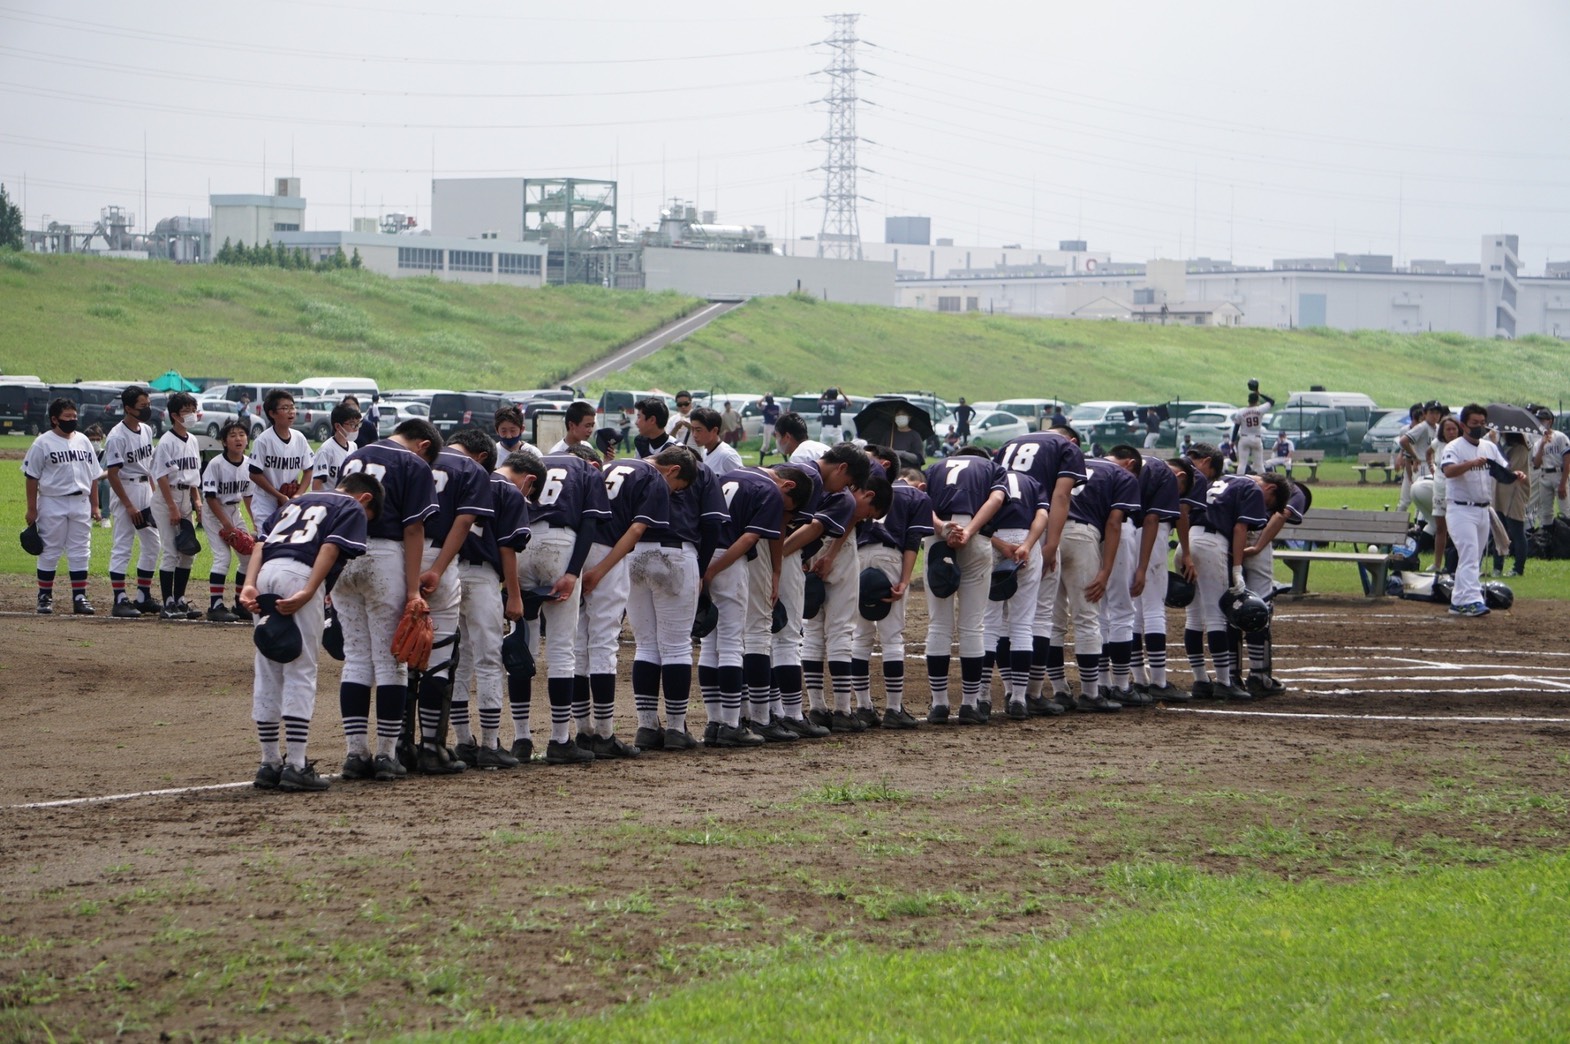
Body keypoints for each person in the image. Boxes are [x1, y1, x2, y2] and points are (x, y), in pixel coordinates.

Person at [241, 472, 378, 792]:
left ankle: (269, 762)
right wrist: (309, 590)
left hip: (266, 574)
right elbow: (330, 548)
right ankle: (297, 765)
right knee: (301, 670)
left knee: (268, 668)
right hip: (300, 575)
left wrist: (249, 584)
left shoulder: (299, 500)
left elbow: (261, 543)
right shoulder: (352, 507)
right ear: (365, 498)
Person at [334, 418, 443, 782]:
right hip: (383, 556)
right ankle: (385, 753)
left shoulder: (355, 456)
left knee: (356, 657)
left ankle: (354, 753)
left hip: (342, 555)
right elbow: (413, 527)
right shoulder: (413, 463)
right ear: (423, 444)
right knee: (392, 659)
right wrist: (413, 590)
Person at [517, 446, 615, 762]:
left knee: (523, 646)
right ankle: (559, 739)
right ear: (590, 460)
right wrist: (573, 571)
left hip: (522, 542)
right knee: (561, 648)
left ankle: (521, 739)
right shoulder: (587, 470)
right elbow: (589, 524)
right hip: (559, 542)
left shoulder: (534, 461)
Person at [446, 433, 530, 770]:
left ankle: (463, 740)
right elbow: (508, 548)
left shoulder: (454, 481)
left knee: (459, 661)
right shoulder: (506, 490)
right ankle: (491, 744)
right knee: (489, 660)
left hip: (449, 572)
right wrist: (514, 594)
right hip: (482, 580)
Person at [621, 447, 712, 753]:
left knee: (646, 644)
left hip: (633, 553)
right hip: (676, 552)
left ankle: (646, 726)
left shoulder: (628, 468)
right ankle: (675, 728)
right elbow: (712, 524)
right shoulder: (699, 470)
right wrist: (703, 567)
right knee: (675, 646)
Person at [697, 465, 788, 747]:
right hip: (728, 560)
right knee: (731, 642)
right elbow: (749, 538)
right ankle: (731, 724)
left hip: (702, 551)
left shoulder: (723, 476)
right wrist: (713, 571)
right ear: (785, 485)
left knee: (709, 643)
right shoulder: (769, 489)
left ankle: (714, 722)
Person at [923, 447, 1009, 724]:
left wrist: (942, 529)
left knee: (939, 623)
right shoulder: (991, 467)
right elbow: (996, 499)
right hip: (976, 536)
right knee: (973, 624)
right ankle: (970, 704)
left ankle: (939, 705)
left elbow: (923, 501)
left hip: (939, 536)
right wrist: (969, 531)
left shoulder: (936, 466)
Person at [1179, 444, 1270, 698]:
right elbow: (1241, 529)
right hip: (1210, 543)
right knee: (1217, 617)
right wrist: (1238, 568)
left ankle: (1200, 680)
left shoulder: (1201, 482)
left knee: (1194, 618)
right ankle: (1223, 682)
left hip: (1186, 541)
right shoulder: (1247, 486)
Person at [853, 452, 934, 728]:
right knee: (891, 637)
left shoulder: (869, 488)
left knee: (861, 636)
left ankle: (863, 706)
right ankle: (893, 708)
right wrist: (905, 579)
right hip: (890, 557)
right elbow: (912, 542)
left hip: (857, 557)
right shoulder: (916, 497)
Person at [1440, 405, 1524, 616]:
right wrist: (1470, 464)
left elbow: (1502, 470)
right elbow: (1448, 471)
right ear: (1463, 425)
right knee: (1468, 553)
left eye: (1481, 423)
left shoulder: (1489, 447)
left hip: (1483, 509)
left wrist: (1516, 475)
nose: (1479, 427)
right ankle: (1473, 599)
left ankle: (1458, 601)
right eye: (1474, 423)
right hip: (1460, 508)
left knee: (1473, 557)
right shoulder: (1454, 447)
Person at [23, 396, 102, 615]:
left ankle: (79, 597)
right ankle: (44, 596)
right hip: (52, 501)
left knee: (80, 550)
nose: (72, 420)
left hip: (80, 502)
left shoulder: (83, 441)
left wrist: (95, 506)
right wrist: (32, 508)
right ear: (55, 419)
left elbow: (93, 475)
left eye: (74, 416)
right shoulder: (43, 442)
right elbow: (31, 477)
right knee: (49, 549)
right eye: (67, 416)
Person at [104, 384, 161, 617]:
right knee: (123, 544)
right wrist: (128, 504)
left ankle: (142, 596)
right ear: (128, 408)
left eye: (148, 404)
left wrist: (155, 494)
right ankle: (119, 599)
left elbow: (148, 467)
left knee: (153, 543)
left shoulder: (146, 430)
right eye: (142, 406)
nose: (147, 409)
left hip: (145, 487)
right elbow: (112, 474)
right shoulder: (116, 436)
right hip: (125, 489)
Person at [149, 392, 204, 620]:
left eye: (193, 409)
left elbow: (192, 475)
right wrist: (172, 506)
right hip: (166, 498)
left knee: (187, 551)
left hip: (185, 499)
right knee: (171, 551)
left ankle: (180, 600)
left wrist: (197, 500)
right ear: (174, 415)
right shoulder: (166, 441)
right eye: (186, 411)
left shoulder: (192, 440)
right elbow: (161, 476)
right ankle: (167, 602)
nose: (191, 414)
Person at [201, 421, 256, 622]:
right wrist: (227, 524)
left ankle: (241, 605)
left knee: (248, 557)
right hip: (214, 513)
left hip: (234, 510)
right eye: (232, 435)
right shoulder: (215, 464)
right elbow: (210, 497)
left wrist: (255, 523)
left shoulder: (249, 464)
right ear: (224, 441)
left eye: (242, 434)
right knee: (223, 557)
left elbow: (249, 496)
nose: (238, 438)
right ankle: (215, 605)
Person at [248, 390, 314, 532]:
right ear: (272, 413)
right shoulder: (263, 441)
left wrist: (299, 495)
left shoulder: (299, 438)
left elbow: (309, 470)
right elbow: (254, 473)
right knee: (266, 541)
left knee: (287, 541)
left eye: (292, 407)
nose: (291, 412)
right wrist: (278, 495)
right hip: (265, 501)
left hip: (290, 501)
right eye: (285, 408)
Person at [1492, 431, 1530, 578]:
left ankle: (1518, 568)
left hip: (1514, 493)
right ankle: (1497, 567)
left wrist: (1496, 446)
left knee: (1516, 532)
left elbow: (1509, 467)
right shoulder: (1504, 446)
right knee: (1498, 532)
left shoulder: (1521, 448)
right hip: (1499, 492)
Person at [1397, 401, 1442, 515]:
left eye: (1437, 413)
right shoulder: (1423, 427)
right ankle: (1413, 525)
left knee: (1429, 498)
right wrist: (1415, 457)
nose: (1435, 416)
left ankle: (1421, 526)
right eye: (1432, 412)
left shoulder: (1438, 428)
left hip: (1433, 465)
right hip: (1422, 465)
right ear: (1425, 413)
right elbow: (1404, 441)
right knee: (1419, 497)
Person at [1528, 407, 1569, 529]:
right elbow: (1536, 464)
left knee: (1565, 510)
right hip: (1544, 475)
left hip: (1559, 474)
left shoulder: (1560, 437)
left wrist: (1563, 483)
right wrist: (1542, 445)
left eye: (1542, 420)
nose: (1540, 423)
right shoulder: (1538, 442)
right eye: (1539, 420)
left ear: (1550, 421)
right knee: (1545, 512)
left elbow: (1567, 462)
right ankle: (1547, 540)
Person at [312, 403, 361, 492]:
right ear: (338, 426)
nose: (356, 429)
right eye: (352, 424)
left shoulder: (353, 446)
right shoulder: (326, 450)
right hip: (330, 501)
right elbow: (317, 483)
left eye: (358, 424)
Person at [1231, 388, 1274, 476]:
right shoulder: (1260, 409)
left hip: (1244, 438)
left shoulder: (1241, 411)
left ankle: (1239, 482)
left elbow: (1236, 427)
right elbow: (1271, 401)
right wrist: (1260, 393)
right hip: (1256, 439)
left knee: (1242, 463)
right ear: (1257, 400)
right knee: (1259, 464)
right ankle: (1263, 482)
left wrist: (1232, 440)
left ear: (1248, 400)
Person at [689, 406, 743, 475]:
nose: (694, 435)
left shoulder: (728, 456)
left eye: (698, 430)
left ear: (714, 430)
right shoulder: (704, 453)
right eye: (692, 430)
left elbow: (743, 481)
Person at [757, 394, 782, 462]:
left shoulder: (777, 406)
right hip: (768, 426)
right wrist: (765, 396)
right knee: (766, 445)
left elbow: (780, 416)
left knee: (780, 444)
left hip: (775, 425)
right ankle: (761, 461)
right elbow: (759, 402)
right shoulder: (765, 407)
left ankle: (785, 460)